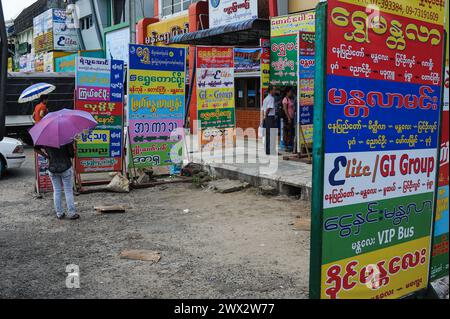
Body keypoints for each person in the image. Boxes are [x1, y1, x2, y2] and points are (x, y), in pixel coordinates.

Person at [35, 142, 79, 220]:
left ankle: (59, 213)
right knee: (68, 191)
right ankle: (72, 213)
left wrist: (47, 156)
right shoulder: (66, 138)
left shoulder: (46, 138)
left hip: (52, 168)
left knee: (57, 190)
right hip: (65, 167)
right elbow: (71, 154)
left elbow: (36, 148)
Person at [262, 85, 277, 155]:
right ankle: (271, 150)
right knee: (271, 134)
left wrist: (264, 117)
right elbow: (269, 108)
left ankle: (267, 150)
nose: (275, 91)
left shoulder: (265, 98)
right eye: (274, 90)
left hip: (266, 118)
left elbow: (263, 109)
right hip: (270, 117)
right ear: (270, 90)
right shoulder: (271, 98)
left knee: (267, 134)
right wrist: (266, 115)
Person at [282, 87, 296, 152]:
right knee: (287, 132)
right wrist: (288, 118)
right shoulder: (285, 99)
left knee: (290, 132)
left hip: (292, 117)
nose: (291, 93)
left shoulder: (291, 99)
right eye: (290, 92)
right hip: (288, 118)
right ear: (287, 92)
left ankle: (289, 146)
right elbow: (285, 109)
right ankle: (286, 146)